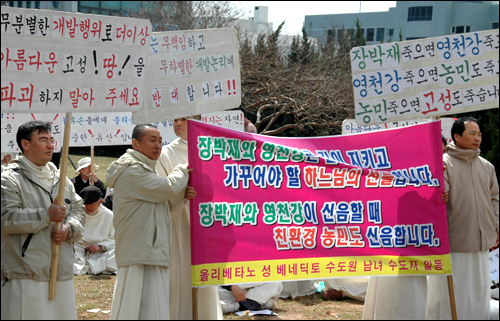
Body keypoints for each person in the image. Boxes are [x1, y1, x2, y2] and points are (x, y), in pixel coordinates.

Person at [107, 124, 193, 320]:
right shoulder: (132, 170)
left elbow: (163, 203)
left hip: (149, 246)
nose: (158, 146)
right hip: (138, 249)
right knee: (134, 303)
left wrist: (182, 196)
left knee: (153, 303)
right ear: (135, 144)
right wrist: (182, 170)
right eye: (152, 140)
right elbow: (167, 188)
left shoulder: (146, 169)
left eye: (161, 141)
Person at [1, 121, 85, 319]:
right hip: (25, 272)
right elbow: (6, 218)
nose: (50, 145)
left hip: (61, 269)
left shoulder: (60, 176)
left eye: (52, 140)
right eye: (43, 140)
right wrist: (46, 215)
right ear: (25, 144)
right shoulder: (10, 179)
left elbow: (78, 209)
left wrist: (69, 229)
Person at [426, 117, 499, 320]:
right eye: (472, 134)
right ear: (456, 136)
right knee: (452, 293)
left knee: (479, 289)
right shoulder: (442, 163)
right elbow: (438, 195)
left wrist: (496, 226)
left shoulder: (487, 167)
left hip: (482, 240)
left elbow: (495, 199)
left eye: (479, 134)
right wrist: (441, 192)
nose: (478, 138)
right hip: (454, 241)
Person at [156, 116, 223, 320]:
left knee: (204, 276)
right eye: (175, 119)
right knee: (180, 275)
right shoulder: (165, 153)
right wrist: (181, 196)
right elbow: (160, 191)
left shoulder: (212, 150)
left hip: (206, 222)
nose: (177, 123)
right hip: (178, 223)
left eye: (183, 119)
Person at [73, 185, 117, 276]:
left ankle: (89, 267)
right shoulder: (78, 213)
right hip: (79, 250)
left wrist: (100, 246)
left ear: (100, 201)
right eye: (86, 204)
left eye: (91, 204)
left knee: (118, 252)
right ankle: (92, 267)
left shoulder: (109, 215)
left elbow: (114, 238)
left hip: (101, 252)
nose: (88, 207)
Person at [218, 282, 283, 314]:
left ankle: (238, 306)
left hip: (249, 285)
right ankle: (260, 303)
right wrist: (232, 286)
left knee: (276, 283)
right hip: (227, 288)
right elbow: (217, 271)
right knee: (213, 289)